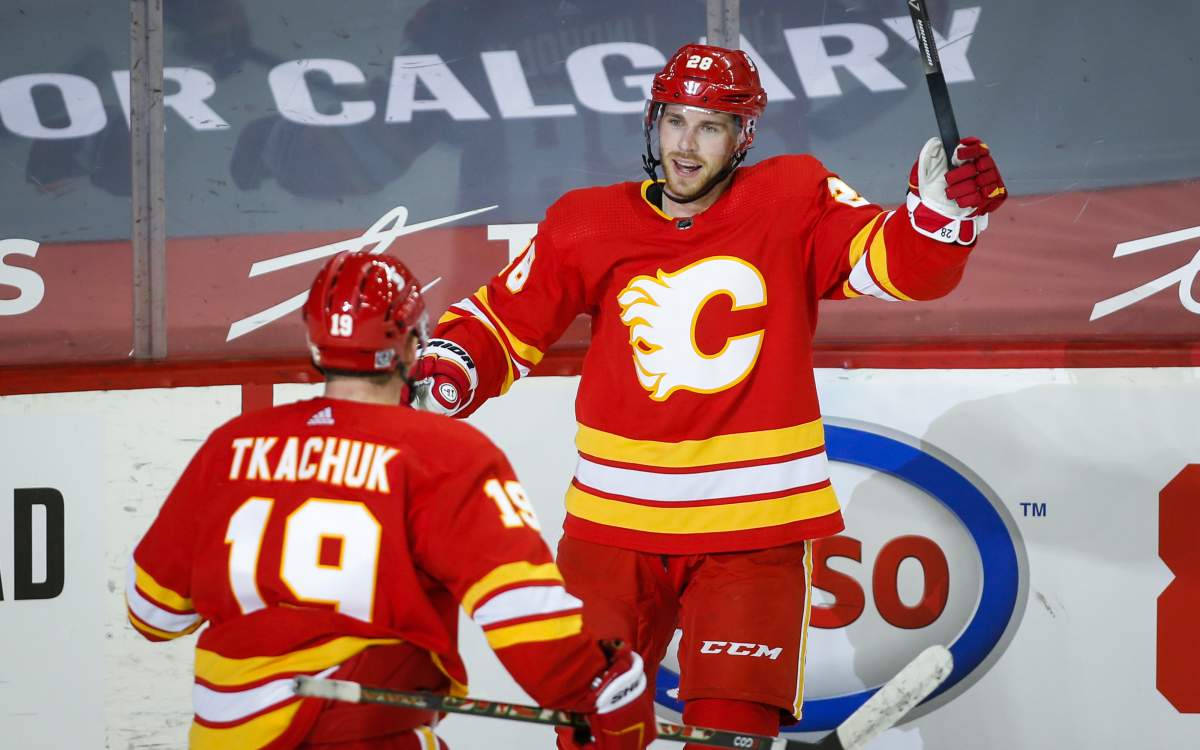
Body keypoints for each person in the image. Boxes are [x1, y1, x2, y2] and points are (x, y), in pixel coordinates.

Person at [411, 43, 1007, 747]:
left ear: (742, 138)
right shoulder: (587, 222)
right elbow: (503, 318)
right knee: (593, 733)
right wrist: (444, 379)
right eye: (674, 122)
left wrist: (939, 218)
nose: (685, 146)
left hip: (752, 538)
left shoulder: (792, 198)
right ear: (652, 124)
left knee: (731, 732)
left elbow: (896, 266)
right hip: (613, 532)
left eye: (710, 126)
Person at [125, 251, 657, 750]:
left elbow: (152, 614)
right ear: (411, 343)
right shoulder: (444, 454)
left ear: (315, 346)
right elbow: (526, 620)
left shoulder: (232, 445)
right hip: (367, 734)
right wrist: (603, 688)